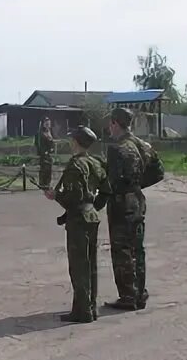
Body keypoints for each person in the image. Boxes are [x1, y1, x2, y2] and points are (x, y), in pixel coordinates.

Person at [46, 125, 108, 323]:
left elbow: (73, 197)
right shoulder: (96, 163)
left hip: (78, 219)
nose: (70, 142)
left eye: (72, 139)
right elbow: (106, 189)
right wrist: (94, 207)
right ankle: (91, 306)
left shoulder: (75, 166)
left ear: (76, 142)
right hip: (91, 217)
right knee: (91, 265)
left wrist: (56, 196)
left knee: (79, 266)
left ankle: (83, 311)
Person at [103, 107, 150, 311]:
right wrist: (136, 185)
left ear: (115, 123)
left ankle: (127, 296)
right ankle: (140, 292)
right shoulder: (143, 145)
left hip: (121, 202)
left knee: (122, 250)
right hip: (138, 200)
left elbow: (111, 181)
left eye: (110, 124)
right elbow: (158, 171)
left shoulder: (116, 148)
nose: (109, 128)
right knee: (137, 248)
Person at [34, 117, 56, 190]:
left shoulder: (50, 132)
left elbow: (52, 142)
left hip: (50, 153)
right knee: (44, 168)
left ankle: (47, 183)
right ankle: (42, 184)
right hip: (43, 154)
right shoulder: (40, 133)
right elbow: (38, 144)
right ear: (43, 124)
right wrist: (43, 152)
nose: (48, 125)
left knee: (49, 169)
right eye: (46, 123)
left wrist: (52, 148)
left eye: (49, 123)